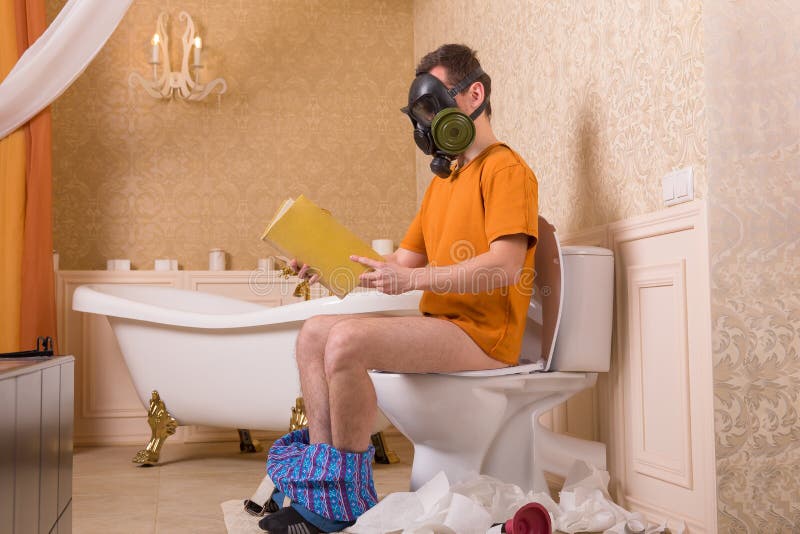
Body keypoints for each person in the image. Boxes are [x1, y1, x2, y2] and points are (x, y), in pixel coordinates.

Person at [259, 43, 539, 534]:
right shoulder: (443, 183)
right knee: (313, 333)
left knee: (347, 341)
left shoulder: (505, 170)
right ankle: (323, 490)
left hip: (485, 336)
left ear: (474, 94)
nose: (428, 124)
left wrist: (410, 280)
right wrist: (324, 263)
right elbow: (396, 264)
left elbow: (505, 266)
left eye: (433, 107)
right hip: (445, 326)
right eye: (421, 113)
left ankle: (340, 508)